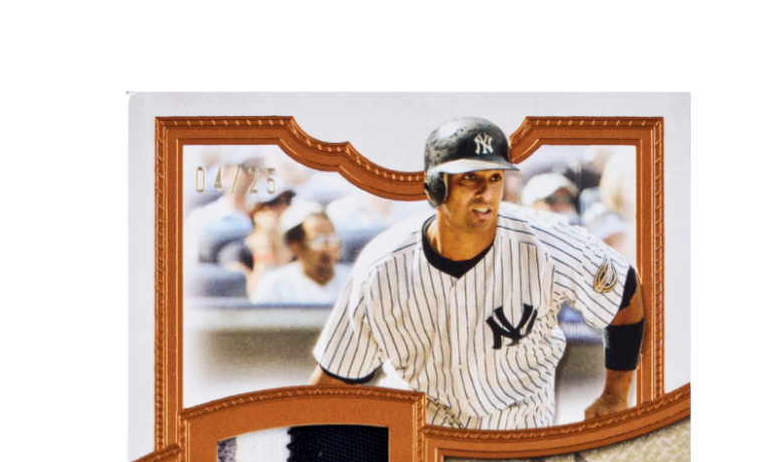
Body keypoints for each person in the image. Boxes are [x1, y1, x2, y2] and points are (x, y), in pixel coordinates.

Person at [308, 117, 646, 429]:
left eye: (494, 178)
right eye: (470, 178)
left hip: (517, 436)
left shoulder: (549, 243)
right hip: (419, 438)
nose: (486, 192)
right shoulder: (383, 265)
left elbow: (624, 290)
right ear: (435, 186)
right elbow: (334, 379)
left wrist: (614, 396)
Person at [251, 203, 349, 304]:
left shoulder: (352, 281)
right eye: (318, 241)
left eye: (332, 239)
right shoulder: (275, 286)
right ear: (296, 246)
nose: (328, 248)